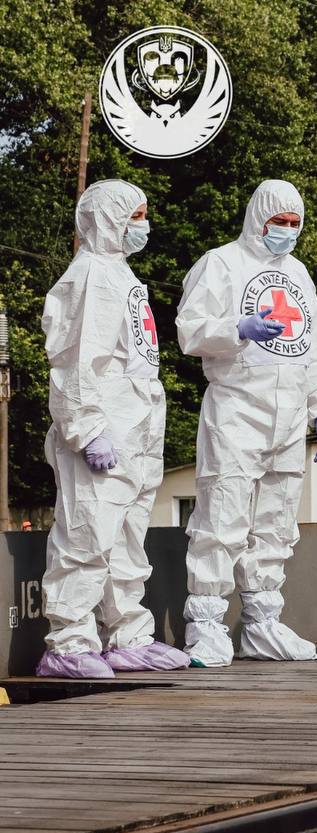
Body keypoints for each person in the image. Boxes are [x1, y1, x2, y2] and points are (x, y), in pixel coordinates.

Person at [177, 179, 317, 666]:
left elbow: (312, 345)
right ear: (257, 218)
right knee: (222, 516)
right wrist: (237, 329)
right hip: (237, 409)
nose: (286, 230)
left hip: (288, 416)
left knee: (276, 522)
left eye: (294, 223)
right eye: (278, 222)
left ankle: (263, 624)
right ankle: (206, 625)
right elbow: (189, 330)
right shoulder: (220, 263)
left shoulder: (298, 273)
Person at [38, 179, 190, 677]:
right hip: (103, 429)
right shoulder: (89, 277)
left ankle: (127, 636)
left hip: (135, 430)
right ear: (109, 218)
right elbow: (75, 359)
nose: (143, 226)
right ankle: (68, 643)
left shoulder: (120, 274)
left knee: (126, 540)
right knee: (86, 535)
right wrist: (86, 429)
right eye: (136, 216)